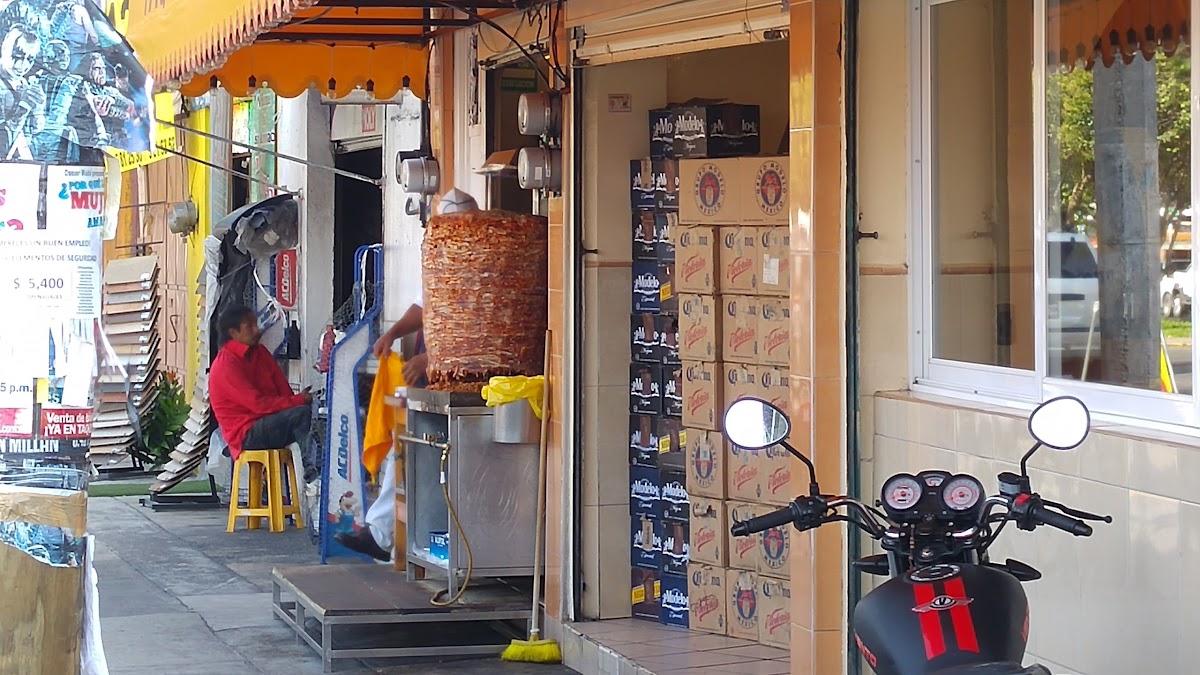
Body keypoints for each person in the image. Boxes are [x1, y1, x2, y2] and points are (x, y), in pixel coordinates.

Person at [335, 188, 479, 562]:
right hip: (432, 380)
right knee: (403, 450)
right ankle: (383, 533)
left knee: (424, 458)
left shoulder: (481, 264)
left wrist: (432, 358)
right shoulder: (440, 259)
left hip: (465, 382)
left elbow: (476, 330)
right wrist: (394, 333)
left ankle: (390, 535)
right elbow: (422, 305)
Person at [209, 305, 321, 482]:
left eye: (255, 324)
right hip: (246, 433)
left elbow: (283, 392)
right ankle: (312, 471)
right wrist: (298, 401)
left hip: (267, 422)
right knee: (301, 414)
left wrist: (298, 400)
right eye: (249, 327)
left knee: (314, 416)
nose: (257, 330)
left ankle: (317, 467)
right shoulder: (226, 364)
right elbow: (257, 404)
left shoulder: (261, 353)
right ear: (233, 333)